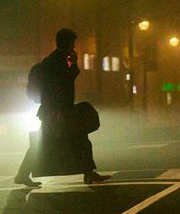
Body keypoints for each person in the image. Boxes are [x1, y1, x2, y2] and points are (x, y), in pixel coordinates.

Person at [14, 28, 110, 187]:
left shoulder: (54, 59)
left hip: (57, 109)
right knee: (43, 143)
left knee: (80, 139)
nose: (73, 46)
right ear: (66, 42)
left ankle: (88, 172)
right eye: (72, 43)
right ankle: (22, 174)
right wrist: (73, 63)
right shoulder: (58, 60)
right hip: (56, 111)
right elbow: (65, 80)